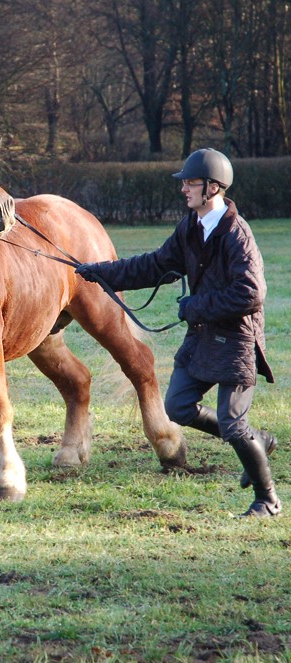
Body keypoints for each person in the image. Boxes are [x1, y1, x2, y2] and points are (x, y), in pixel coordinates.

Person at [76, 148, 281, 518]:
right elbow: (154, 265)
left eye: (191, 183)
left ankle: (268, 500)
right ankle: (259, 442)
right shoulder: (190, 227)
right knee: (177, 407)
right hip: (202, 336)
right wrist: (102, 272)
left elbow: (252, 293)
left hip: (237, 339)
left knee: (234, 424)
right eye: (184, 182)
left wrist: (195, 307)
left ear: (213, 187)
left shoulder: (237, 235)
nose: (184, 189)